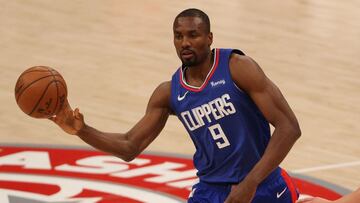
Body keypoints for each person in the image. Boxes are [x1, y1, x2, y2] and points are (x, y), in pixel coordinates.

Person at [50, 8, 301, 203]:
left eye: (193, 35)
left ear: (209, 37)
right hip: (210, 189)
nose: (185, 43)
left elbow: (289, 127)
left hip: (262, 183)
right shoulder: (169, 93)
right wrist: (81, 130)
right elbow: (129, 146)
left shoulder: (237, 67)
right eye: (178, 36)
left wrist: (251, 183)